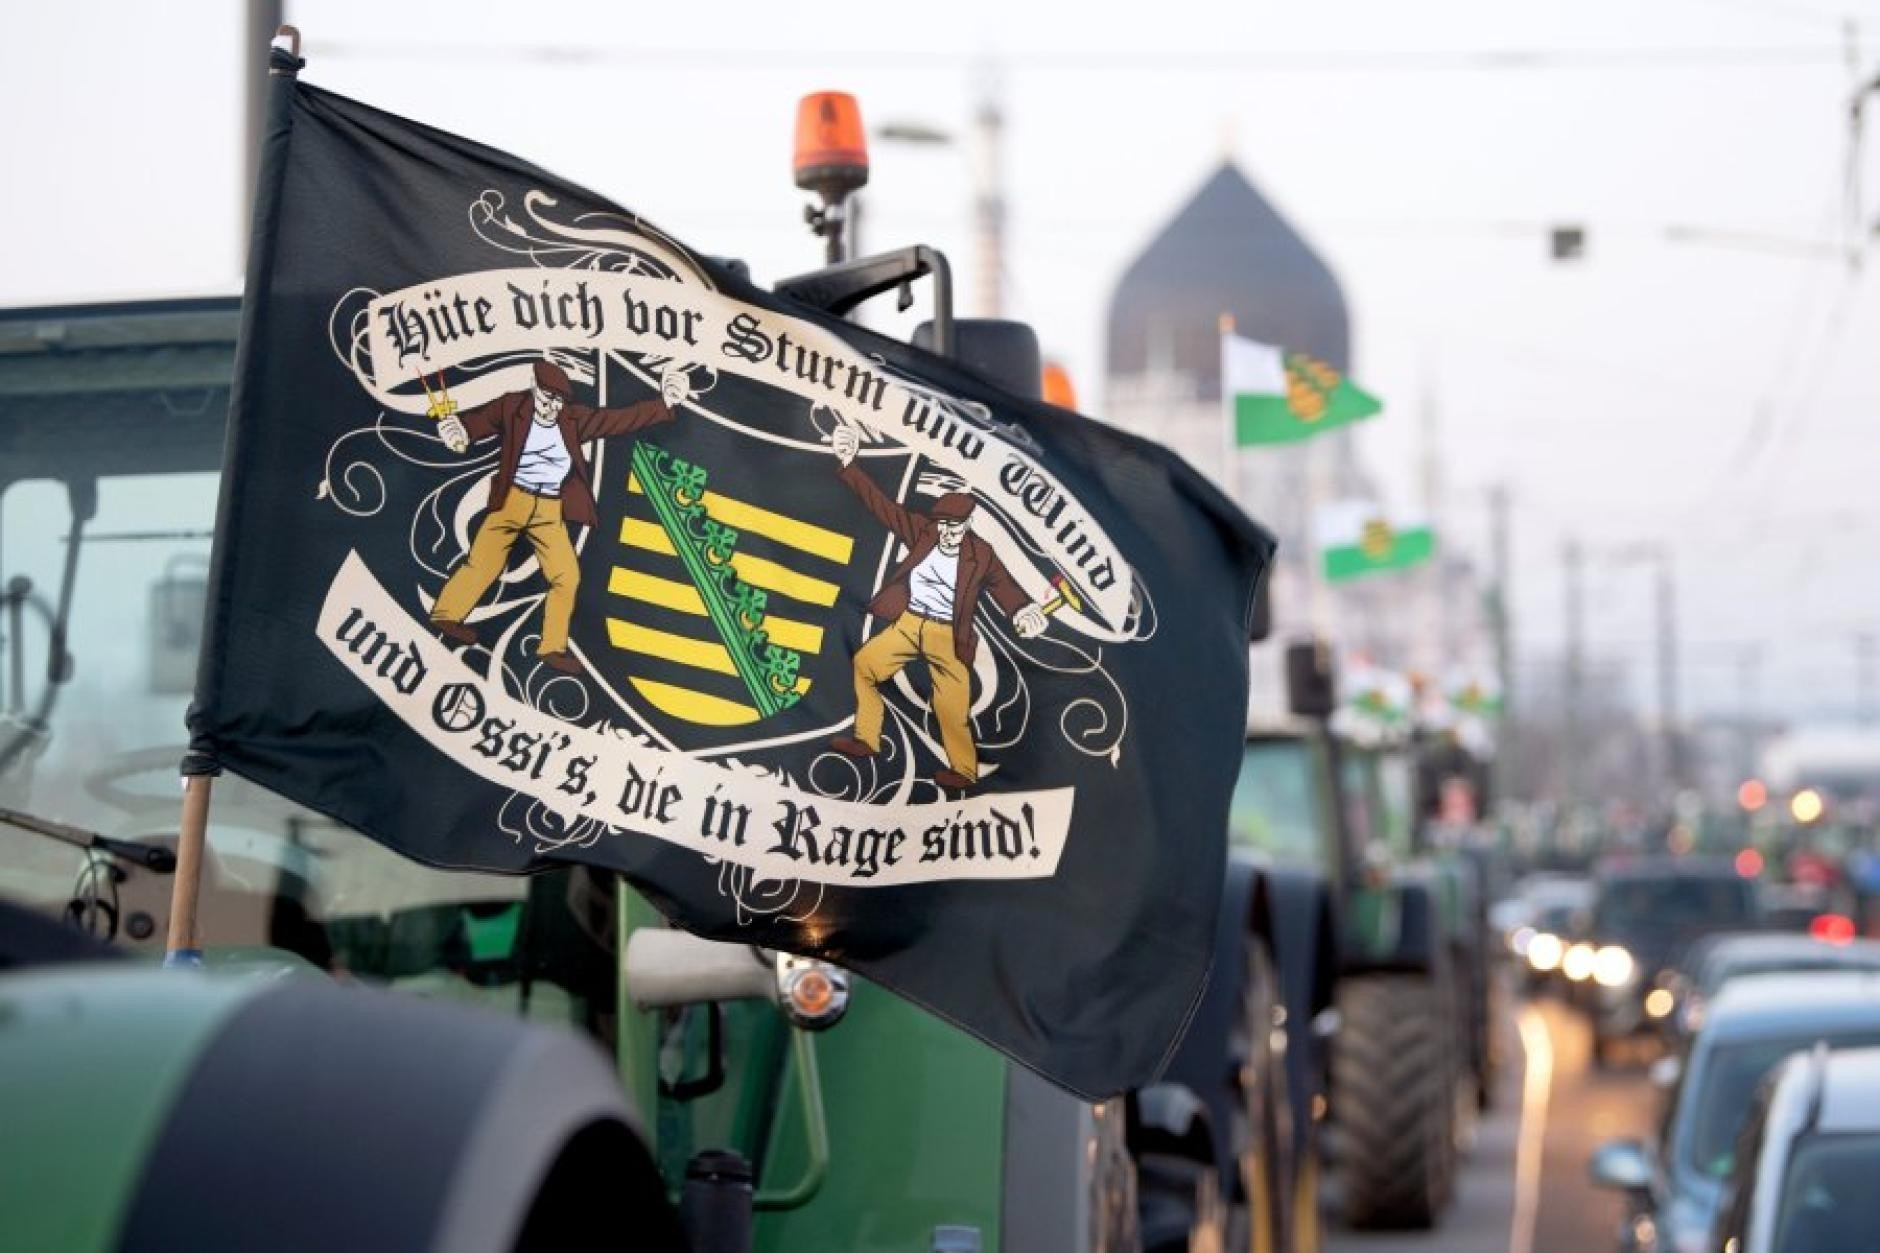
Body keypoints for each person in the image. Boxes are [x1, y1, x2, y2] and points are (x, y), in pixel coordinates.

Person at [429, 358, 688, 677]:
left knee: (566, 577)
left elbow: (617, 420)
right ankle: (446, 614)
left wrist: (664, 403)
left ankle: (552, 647)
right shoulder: (512, 406)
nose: (551, 407)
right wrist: (459, 431)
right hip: (513, 499)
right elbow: (477, 424)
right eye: (546, 398)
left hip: (549, 509)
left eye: (558, 401)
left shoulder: (573, 419)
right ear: (534, 387)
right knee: (482, 562)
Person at [827, 424, 1047, 790]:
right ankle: (867, 739)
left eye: (956, 526)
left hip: (947, 634)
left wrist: (1022, 610)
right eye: (944, 524)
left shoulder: (981, 554)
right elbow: (882, 507)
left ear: (969, 524)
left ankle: (963, 772)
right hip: (908, 624)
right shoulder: (922, 532)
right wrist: (849, 464)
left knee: (951, 705)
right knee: (865, 664)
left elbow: (1003, 584)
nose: (948, 532)